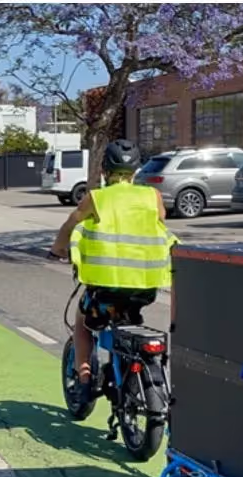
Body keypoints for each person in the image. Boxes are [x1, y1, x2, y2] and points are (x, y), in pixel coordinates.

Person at [49, 139, 175, 387]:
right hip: (145, 287)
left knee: (83, 321)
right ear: (136, 170)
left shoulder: (96, 198)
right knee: (130, 314)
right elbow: (160, 220)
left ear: (104, 170)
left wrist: (58, 250)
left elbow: (70, 225)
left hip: (106, 288)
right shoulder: (153, 196)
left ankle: (84, 376)